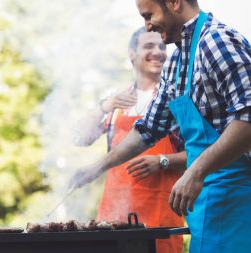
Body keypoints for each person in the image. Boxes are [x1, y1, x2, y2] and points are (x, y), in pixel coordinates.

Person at [69, 0, 251, 252]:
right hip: (204, 207)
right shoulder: (176, 63)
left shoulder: (216, 42)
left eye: (148, 15)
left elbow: (249, 118)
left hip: (238, 203)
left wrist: (196, 171)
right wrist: (97, 167)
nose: (147, 25)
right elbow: (149, 130)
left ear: (174, 3)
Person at [72, 27, 185, 253]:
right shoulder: (116, 100)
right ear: (131, 54)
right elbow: (79, 138)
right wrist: (106, 105)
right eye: (148, 46)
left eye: (162, 47)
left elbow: (199, 153)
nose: (158, 52)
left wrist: (162, 160)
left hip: (159, 220)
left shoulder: (176, 101)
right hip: (112, 220)